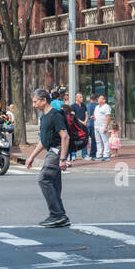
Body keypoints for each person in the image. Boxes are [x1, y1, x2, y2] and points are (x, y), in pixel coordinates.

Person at [25, 88, 70, 227]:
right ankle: (60, 215)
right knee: (54, 185)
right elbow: (43, 141)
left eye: (35, 102)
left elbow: (65, 136)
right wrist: (31, 156)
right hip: (51, 150)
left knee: (44, 179)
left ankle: (56, 215)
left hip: (56, 151)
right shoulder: (44, 117)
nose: (34, 105)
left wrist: (63, 158)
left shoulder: (55, 115)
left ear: (44, 100)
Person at [68, 92, 89, 166]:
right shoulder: (73, 106)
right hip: (76, 126)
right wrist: (81, 122)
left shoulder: (84, 105)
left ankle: (85, 154)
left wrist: (85, 121)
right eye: (80, 97)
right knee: (75, 139)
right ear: (76, 98)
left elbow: (86, 114)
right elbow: (73, 116)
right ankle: (73, 155)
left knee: (84, 139)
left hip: (84, 125)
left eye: (82, 97)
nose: (82, 98)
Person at [93, 94, 112, 161]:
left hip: (103, 126)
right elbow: (96, 115)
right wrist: (93, 117)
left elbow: (108, 117)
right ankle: (99, 155)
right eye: (98, 98)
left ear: (104, 100)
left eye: (100, 98)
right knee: (98, 141)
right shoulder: (96, 107)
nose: (98, 99)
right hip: (96, 126)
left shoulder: (106, 107)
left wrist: (106, 127)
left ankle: (106, 155)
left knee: (105, 141)